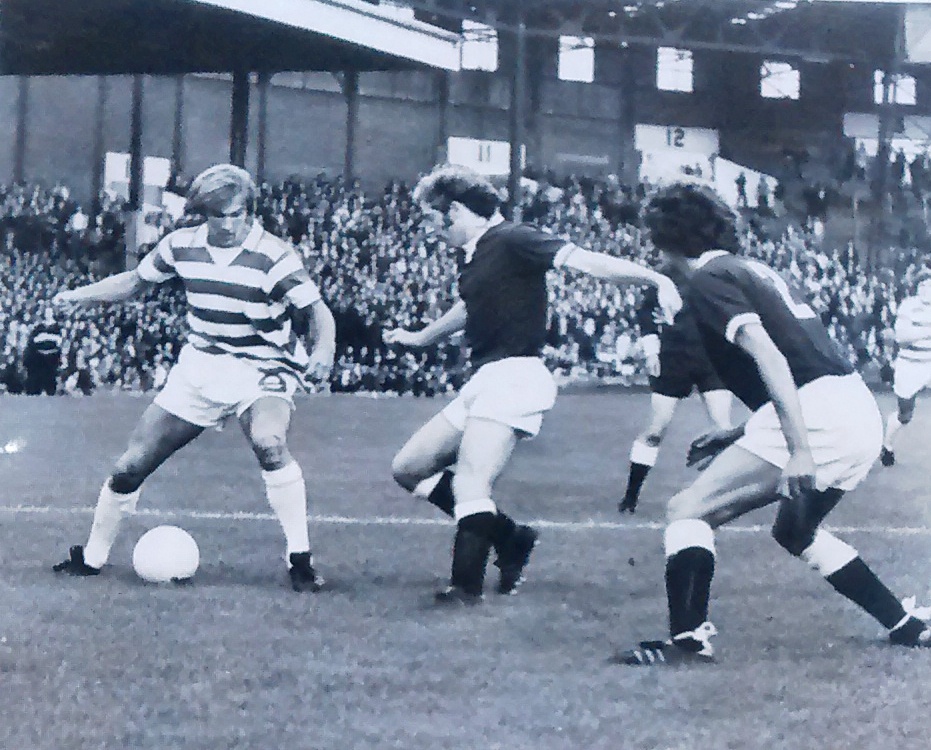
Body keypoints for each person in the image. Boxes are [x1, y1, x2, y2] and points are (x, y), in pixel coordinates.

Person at [616, 180, 930, 666]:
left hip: (818, 415)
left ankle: (687, 642)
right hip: (853, 407)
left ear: (666, 237)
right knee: (795, 531)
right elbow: (806, 359)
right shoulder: (749, 268)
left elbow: (769, 354)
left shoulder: (707, 278)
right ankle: (904, 624)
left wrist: (799, 448)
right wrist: (741, 430)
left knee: (687, 510)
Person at [384, 165, 681, 605]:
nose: (431, 229)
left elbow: (584, 260)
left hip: (516, 376)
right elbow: (470, 307)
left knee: (470, 483)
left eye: (433, 217)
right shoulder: (477, 253)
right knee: (408, 468)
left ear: (458, 209)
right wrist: (420, 337)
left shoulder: (513, 238)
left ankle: (465, 589)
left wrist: (654, 278)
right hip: (487, 378)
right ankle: (511, 537)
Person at [51, 164, 337, 592]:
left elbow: (317, 311)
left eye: (235, 214)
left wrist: (324, 350)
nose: (226, 223)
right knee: (130, 467)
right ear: (203, 213)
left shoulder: (273, 254)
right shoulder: (180, 245)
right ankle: (91, 558)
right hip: (200, 366)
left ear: (250, 212)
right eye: (216, 214)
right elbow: (134, 282)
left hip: (263, 366)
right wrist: (79, 296)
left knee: (269, 442)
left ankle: (300, 560)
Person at [620, 286, 732, 514]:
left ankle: (719, 498)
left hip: (713, 357)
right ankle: (630, 498)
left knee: (723, 431)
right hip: (673, 357)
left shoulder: (716, 274)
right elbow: (646, 314)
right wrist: (651, 350)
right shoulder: (666, 277)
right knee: (655, 430)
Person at [879, 269, 931, 467]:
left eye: (930, 285)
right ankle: (887, 446)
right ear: (917, 288)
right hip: (911, 365)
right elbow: (902, 337)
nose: (927, 289)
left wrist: (919, 331)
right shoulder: (909, 306)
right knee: (905, 415)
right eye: (923, 286)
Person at [24, 306, 63, 395]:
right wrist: (45, 337)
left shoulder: (57, 327)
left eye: (49, 313)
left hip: (53, 356)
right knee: (40, 375)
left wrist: (45, 336)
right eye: (46, 313)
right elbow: (34, 340)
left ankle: (51, 392)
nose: (48, 315)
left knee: (51, 376)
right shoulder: (39, 327)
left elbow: (59, 340)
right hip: (40, 356)